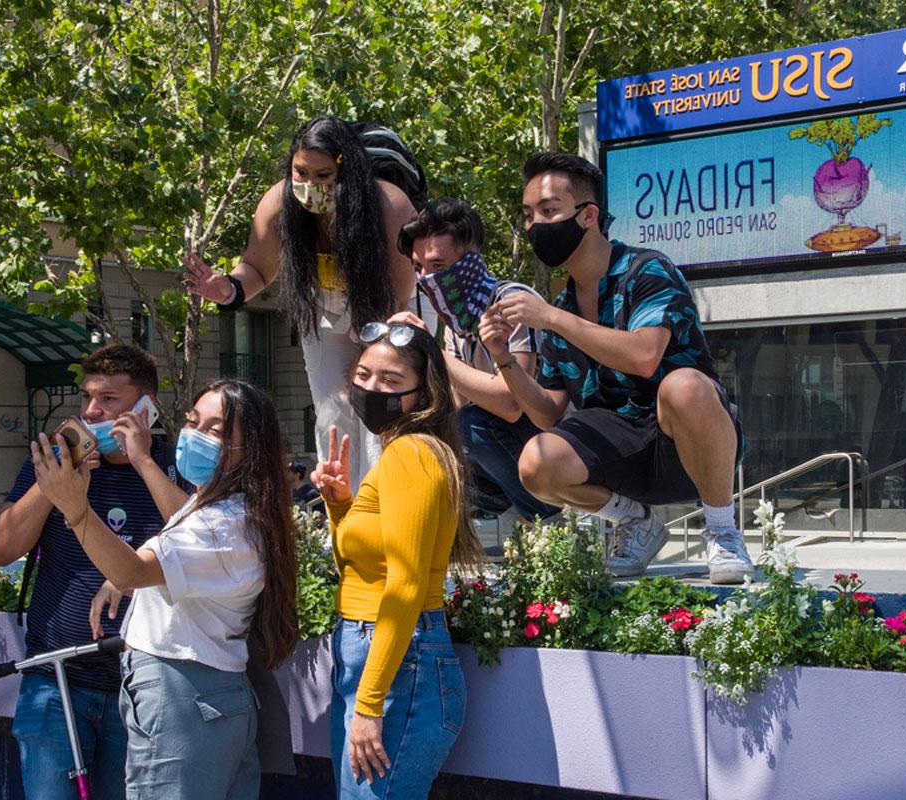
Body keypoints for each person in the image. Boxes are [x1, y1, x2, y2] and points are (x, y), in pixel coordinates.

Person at [482, 152, 753, 584]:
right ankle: (634, 522)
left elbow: (644, 357)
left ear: (588, 215)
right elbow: (549, 413)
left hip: (685, 447)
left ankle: (721, 531)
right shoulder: (560, 307)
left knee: (684, 386)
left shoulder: (647, 270)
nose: (536, 225)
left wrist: (552, 319)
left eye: (549, 210)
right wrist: (503, 358)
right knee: (536, 461)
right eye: (529, 214)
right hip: (619, 454)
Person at [29, 378, 299, 799]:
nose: (193, 435)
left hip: (183, 699)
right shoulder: (226, 510)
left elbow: (136, 570)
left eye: (214, 429)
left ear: (252, 449)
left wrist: (75, 509)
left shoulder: (223, 524)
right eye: (192, 421)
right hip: (209, 700)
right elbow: (166, 555)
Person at [0, 344, 190, 800]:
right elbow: (1, 550)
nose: (92, 410)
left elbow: (198, 543)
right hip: (56, 680)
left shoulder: (175, 465)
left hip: (142, 683)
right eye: (86, 399)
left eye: (109, 400)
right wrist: (54, 483)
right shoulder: (50, 466)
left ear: (146, 408)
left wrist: (143, 461)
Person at [184, 116, 423, 482]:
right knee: (331, 412)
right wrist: (228, 289)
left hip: (392, 314)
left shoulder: (389, 207)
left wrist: (372, 359)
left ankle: (385, 505)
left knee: (378, 411)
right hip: (326, 311)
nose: (310, 185)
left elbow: (399, 295)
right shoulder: (278, 204)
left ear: (348, 172)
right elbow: (258, 268)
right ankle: (339, 512)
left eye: (323, 176)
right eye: (301, 173)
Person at [311, 321, 483, 799]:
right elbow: (363, 565)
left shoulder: (412, 453)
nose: (370, 388)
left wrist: (369, 704)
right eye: (363, 375)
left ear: (422, 393)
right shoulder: (401, 454)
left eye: (390, 381)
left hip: (397, 664)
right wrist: (340, 503)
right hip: (378, 655)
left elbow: (405, 585)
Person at [391, 197, 560, 524]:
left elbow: (514, 405)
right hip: (504, 442)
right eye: (418, 268)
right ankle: (504, 511)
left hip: (554, 438)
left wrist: (434, 352)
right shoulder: (456, 321)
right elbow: (457, 406)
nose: (426, 279)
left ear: (469, 262)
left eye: (438, 266)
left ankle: (545, 515)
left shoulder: (511, 302)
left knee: (473, 425)